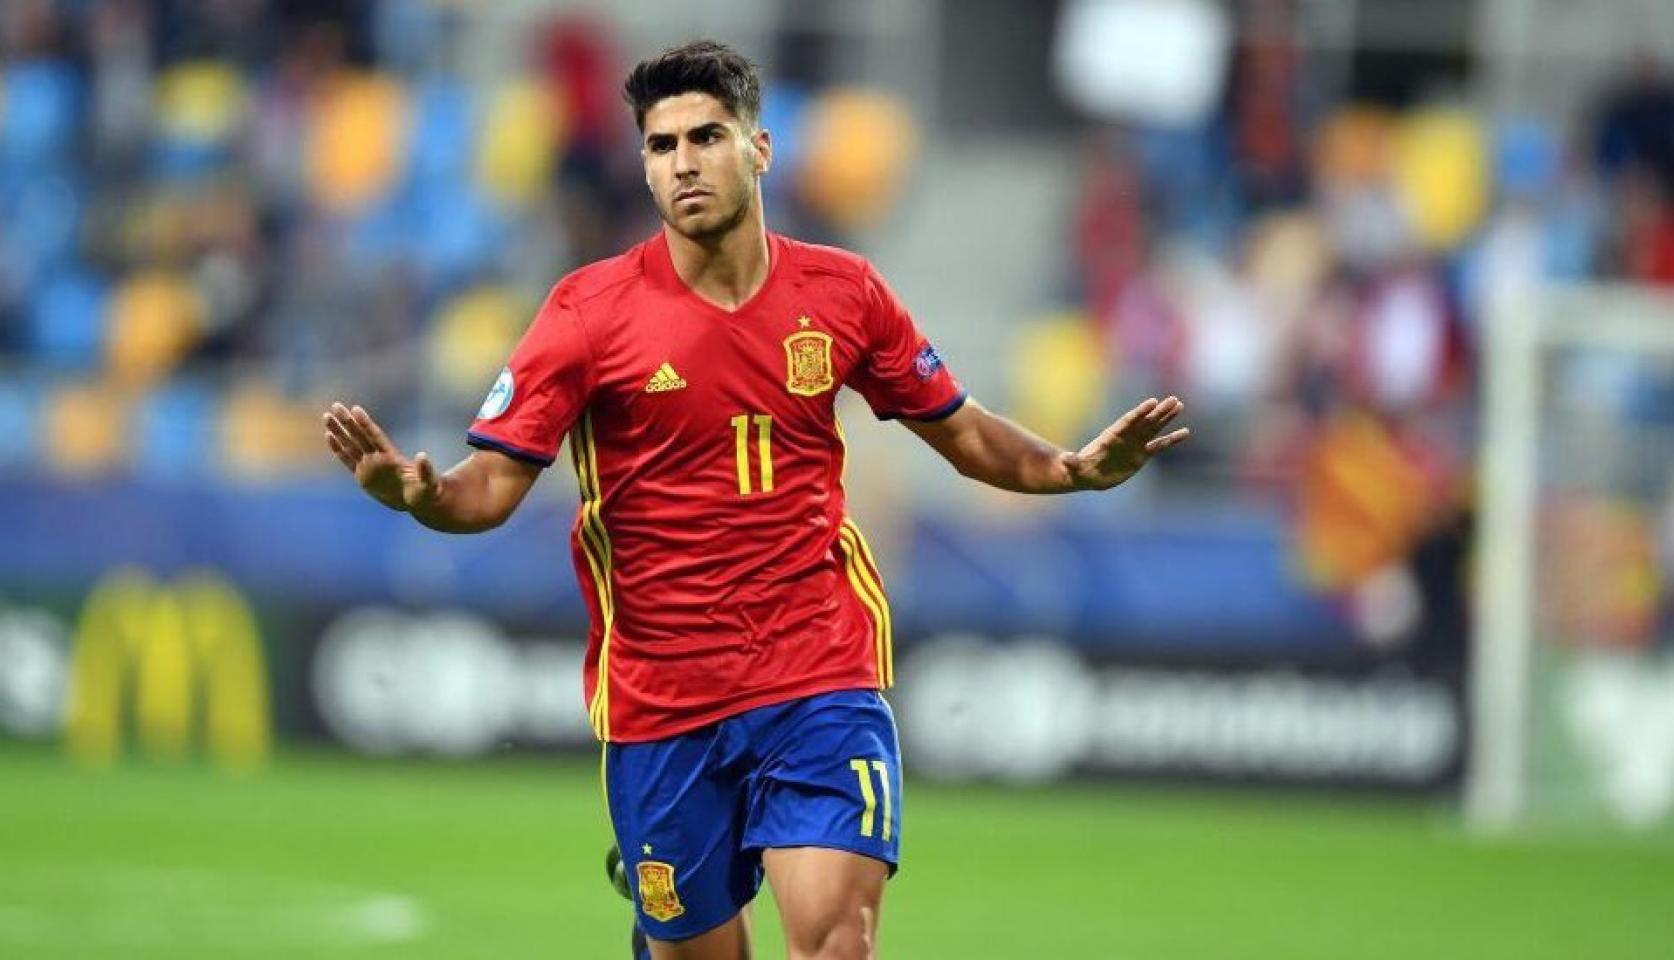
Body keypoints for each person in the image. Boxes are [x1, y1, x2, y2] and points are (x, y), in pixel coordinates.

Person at [322, 40, 1189, 960]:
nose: (684, 162)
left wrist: (1067, 470)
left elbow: (964, 432)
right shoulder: (586, 313)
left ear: (760, 148)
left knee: (835, 942)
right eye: (661, 146)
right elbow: (486, 491)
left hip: (817, 669)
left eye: (706, 136)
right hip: (660, 696)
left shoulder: (845, 294)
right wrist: (416, 496)